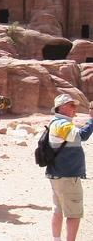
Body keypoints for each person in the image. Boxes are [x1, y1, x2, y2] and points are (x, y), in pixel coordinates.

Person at [46, 94, 93, 241]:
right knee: (74, 213)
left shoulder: (58, 122)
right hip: (67, 176)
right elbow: (81, 136)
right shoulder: (61, 124)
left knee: (58, 210)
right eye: (72, 105)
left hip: (58, 174)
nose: (75, 109)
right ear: (63, 107)